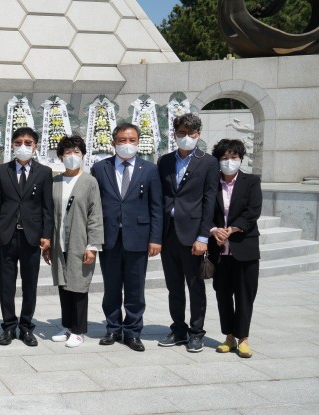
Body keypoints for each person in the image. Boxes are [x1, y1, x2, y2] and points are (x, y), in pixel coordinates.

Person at [91, 124, 163, 352]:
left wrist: (156, 238)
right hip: (109, 237)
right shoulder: (100, 168)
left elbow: (156, 206)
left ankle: (132, 332)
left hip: (138, 237)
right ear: (114, 143)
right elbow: (94, 205)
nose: (127, 144)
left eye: (132, 140)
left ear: (138, 142)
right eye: (122, 140)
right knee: (111, 287)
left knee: (135, 288)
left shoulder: (149, 169)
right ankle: (113, 328)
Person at [157, 113, 219, 352]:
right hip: (168, 233)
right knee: (174, 287)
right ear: (174, 134)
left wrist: (203, 237)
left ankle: (196, 332)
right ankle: (178, 329)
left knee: (195, 286)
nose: (186, 137)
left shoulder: (208, 162)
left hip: (193, 235)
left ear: (198, 135)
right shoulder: (164, 161)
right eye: (181, 133)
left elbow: (209, 200)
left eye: (191, 134)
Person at [0, 127, 53, 346]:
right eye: (18, 142)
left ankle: (25, 327)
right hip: (5, 236)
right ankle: (8, 327)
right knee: (6, 284)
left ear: (35, 146)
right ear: (12, 145)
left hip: (31, 238)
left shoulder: (44, 172)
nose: (23, 146)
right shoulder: (1, 171)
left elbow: (47, 207)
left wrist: (47, 235)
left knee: (29, 285)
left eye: (28, 142)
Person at [43, 135, 103, 348]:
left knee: (78, 286)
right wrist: (47, 242)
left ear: (83, 155)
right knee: (63, 284)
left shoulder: (89, 182)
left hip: (80, 241)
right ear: (60, 156)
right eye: (67, 152)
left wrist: (92, 246)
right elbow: (48, 213)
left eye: (76, 152)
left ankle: (78, 330)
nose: (72, 156)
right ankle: (67, 326)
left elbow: (95, 215)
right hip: (58, 241)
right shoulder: (55, 182)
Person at [209, 139, 261, 358]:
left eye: (233, 157)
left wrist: (231, 229)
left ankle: (244, 339)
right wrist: (214, 230)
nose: (229, 161)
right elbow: (204, 210)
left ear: (241, 159)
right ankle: (229, 337)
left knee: (244, 296)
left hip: (244, 248)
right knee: (223, 295)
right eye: (224, 157)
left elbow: (253, 211)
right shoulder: (211, 182)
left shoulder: (251, 181)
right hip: (219, 251)